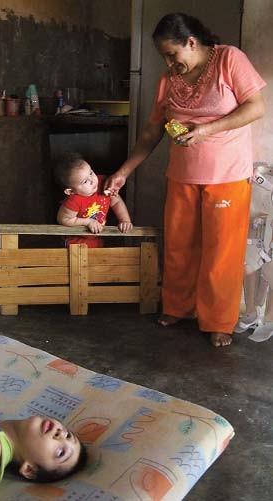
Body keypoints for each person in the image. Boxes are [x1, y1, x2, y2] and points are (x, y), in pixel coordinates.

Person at [105, 12, 266, 347]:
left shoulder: (228, 59)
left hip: (227, 175)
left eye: (172, 54)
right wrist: (124, 171)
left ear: (191, 42)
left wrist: (205, 129)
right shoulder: (168, 80)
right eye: (164, 56)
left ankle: (218, 320)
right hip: (182, 175)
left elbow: (255, 107)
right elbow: (152, 131)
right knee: (179, 246)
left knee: (222, 252)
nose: (168, 62)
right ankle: (178, 306)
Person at [55, 152, 133, 247]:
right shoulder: (73, 200)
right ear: (70, 191)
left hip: (97, 236)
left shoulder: (103, 184)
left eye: (91, 173)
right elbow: (64, 219)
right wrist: (88, 222)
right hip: (77, 240)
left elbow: (116, 202)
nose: (92, 180)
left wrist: (125, 220)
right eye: (85, 181)